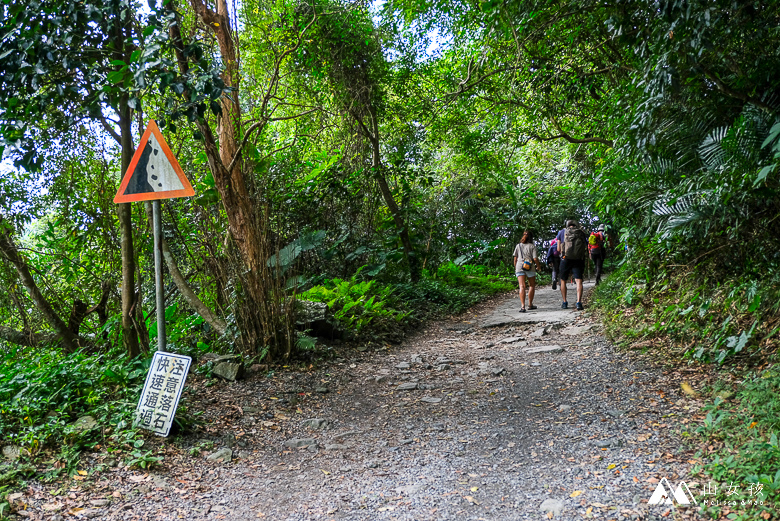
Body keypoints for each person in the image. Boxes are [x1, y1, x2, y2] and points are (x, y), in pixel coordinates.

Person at [557, 220, 587, 310]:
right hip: (578, 259)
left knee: (563, 280)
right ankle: (578, 302)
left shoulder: (562, 232)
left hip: (565, 259)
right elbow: (585, 246)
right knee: (579, 281)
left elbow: (558, 248)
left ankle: (565, 302)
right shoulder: (581, 232)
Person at [513, 229, 543, 313]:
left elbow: (515, 258)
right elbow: (535, 258)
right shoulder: (532, 246)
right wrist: (538, 266)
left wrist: (516, 268)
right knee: (531, 286)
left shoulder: (518, 246)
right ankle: (530, 304)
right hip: (529, 266)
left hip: (520, 266)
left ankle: (522, 306)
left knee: (522, 286)